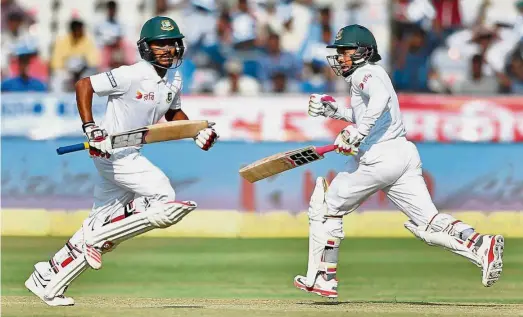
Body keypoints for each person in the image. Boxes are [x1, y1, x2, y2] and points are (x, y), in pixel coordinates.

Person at [293, 24, 504, 299]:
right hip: (402, 154)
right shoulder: (373, 75)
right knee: (428, 223)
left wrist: (359, 131)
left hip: (378, 158)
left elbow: (378, 102)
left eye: (345, 52)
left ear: (362, 52)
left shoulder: (364, 74)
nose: (340, 58)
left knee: (325, 206)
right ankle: (480, 244)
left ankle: (324, 277)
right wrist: (336, 112)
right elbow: (373, 112)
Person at [24, 16, 219, 307]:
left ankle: (47, 278)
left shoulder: (173, 80)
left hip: (132, 153)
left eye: (172, 43)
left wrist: (197, 132)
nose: (167, 49)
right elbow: (84, 85)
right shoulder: (131, 74)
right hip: (110, 153)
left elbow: (173, 115)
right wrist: (91, 127)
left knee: (97, 222)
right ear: (146, 48)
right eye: (160, 44)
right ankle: (99, 238)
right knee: (162, 195)